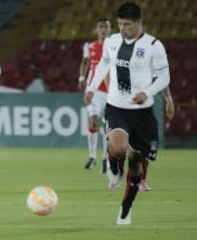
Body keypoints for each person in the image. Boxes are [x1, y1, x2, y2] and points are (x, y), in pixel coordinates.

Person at [84, 2, 170, 225]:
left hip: (142, 112)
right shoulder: (112, 42)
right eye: (120, 24)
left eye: (128, 25)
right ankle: (113, 165)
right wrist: (91, 88)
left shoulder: (153, 45)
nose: (122, 28)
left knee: (137, 165)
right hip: (116, 106)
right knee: (118, 146)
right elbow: (103, 64)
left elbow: (164, 77)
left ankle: (125, 209)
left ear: (139, 23)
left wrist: (147, 92)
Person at [79, 18, 111, 172]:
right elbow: (85, 62)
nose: (103, 29)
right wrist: (81, 78)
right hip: (93, 89)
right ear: (96, 29)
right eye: (100, 27)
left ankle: (106, 157)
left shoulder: (114, 46)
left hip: (111, 91)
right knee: (93, 121)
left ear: (110, 29)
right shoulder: (89, 46)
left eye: (106, 27)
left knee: (107, 125)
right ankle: (92, 156)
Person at [139, 86, 175, 191]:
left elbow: (162, 80)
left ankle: (142, 180)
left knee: (150, 149)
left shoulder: (151, 70)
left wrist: (169, 100)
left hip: (147, 114)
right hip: (129, 111)